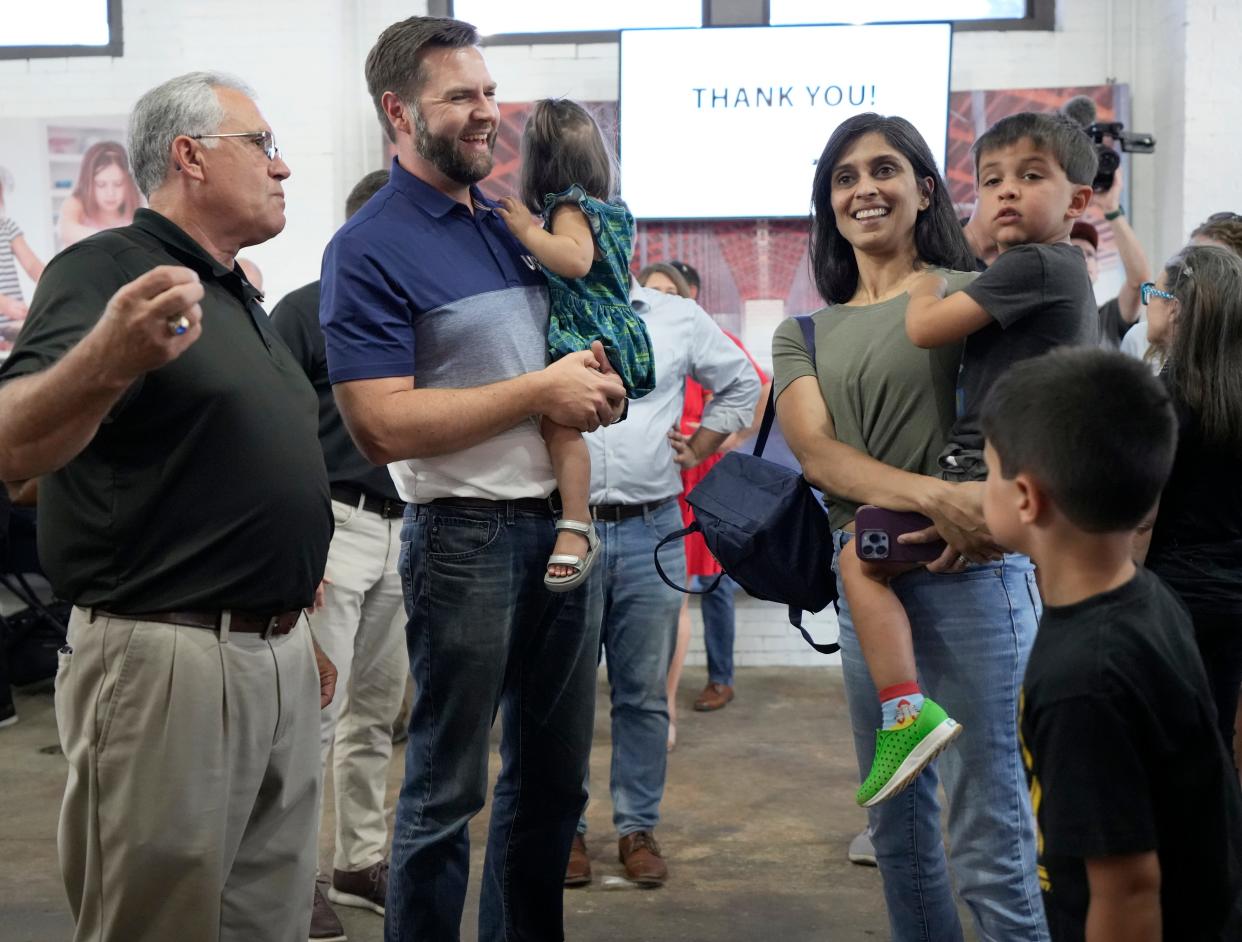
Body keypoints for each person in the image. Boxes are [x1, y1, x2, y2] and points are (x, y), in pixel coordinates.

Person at [0, 71, 334, 942]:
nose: (283, 166)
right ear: (190, 156)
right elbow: (9, 446)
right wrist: (106, 355)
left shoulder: (231, 292)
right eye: (261, 145)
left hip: (276, 651)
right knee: (154, 926)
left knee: (269, 921)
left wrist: (295, 605)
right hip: (170, 661)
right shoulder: (107, 271)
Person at [319, 17, 627, 942]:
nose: (486, 113)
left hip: (568, 531)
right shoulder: (367, 247)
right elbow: (378, 424)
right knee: (446, 792)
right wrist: (542, 387)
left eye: (489, 93)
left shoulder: (505, 222)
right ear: (398, 112)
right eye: (460, 96)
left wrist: (597, 389)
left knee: (552, 790)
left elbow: (568, 362)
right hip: (466, 541)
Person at [774, 112, 1048, 940]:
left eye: (884, 169)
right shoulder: (805, 332)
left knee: (990, 826)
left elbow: (1029, 415)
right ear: (830, 203)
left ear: (923, 188)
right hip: (872, 587)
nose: (865, 189)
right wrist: (936, 497)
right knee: (896, 827)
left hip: (975, 579)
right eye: (845, 177)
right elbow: (818, 455)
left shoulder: (971, 297)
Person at [837, 111, 1098, 808]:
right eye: (991, 181)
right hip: (1018, 478)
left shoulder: (1033, 264)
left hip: (979, 478)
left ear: (1079, 199)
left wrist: (927, 283)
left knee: (856, 559)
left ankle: (902, 710)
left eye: (1030, 177)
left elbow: (925, 329)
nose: (1006, 193)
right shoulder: (1061, 272)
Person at [981, 346, 1242, 941]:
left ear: (1026, 498)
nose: (980, 485)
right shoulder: (1146, 598)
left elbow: (1127, 890)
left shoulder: (1083, 682)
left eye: (988, 468)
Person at [564, 275, 759, 888]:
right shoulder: (549, 304)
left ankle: (636, 827)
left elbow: (743, 382)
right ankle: (563, 828)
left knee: (643, 692)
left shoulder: (675, 315)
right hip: (565, 524)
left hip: (653, 526)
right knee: (559, 693)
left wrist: (701, 444)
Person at [270, 168, 405, 941]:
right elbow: (275, 440)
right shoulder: (301, 313)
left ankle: (360, 859)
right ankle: (301, 879)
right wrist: (299, 547)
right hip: (331, 526)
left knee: (376, 714)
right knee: (313, 716)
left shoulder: (415, 320)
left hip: (402, 529)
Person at [495, 98, 655, 591]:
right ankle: (574, 516)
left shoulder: (569, 207)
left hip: (588, 331)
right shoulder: (610, 210)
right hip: (608, 327)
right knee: (560, 428)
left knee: (559, 429)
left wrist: (525, 230)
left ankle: (575, 522)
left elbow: (576, 260)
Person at [1139, 245, 1242, 766]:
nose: (1147, 303)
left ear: (1176, 307)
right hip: (1231, 596)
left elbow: (1142, 515)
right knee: (1215, 738)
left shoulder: (1164, 399)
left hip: (1171, 595)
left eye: (1153, 293)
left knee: (1164, 747)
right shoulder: (1232, 396)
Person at [1069, 167, 1150, 348]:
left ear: (1097, 269)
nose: (1083, 259)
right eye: (1074, 252)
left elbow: (1139, 280)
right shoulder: (1041, 319)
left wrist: (1110, 207)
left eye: (1089, 255)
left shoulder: (1108, 319)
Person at [56, 140, 143, 247]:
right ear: (89, 183)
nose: (110, 193)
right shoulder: (77, 202)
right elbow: (65, 230)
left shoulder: (137, 207)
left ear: (128, 183)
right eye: (101, 184)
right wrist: (114, 240)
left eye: (118, 184)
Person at [0, 167, 46, 322]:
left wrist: (52, 280)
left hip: (13, 323)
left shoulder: (6, 227)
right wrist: (3, 304)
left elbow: (32, 265)